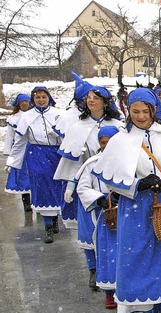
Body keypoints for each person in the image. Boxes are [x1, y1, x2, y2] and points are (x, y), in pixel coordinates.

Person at [91, 88, 161, 313]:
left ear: (154, 110)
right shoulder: (120, 140)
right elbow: (110, 177)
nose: (140, 116)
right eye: (135, 111)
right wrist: (137, 185)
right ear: (128, 111)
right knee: (139, 263)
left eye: (145, 111)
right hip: (135, 210)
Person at [56, 85, 122, 283]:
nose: (91, 101)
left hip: (114, 182)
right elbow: (72, 159)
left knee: (114, 230)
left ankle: (114, 270)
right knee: (89, 231)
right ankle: (93, 269)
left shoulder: (118, 125)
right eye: (88, 98)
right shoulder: (78, 127)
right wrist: (70, 183)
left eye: (96, 97)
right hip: (87, 181)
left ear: (105, 101)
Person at [5, 86, 63, 243]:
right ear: (33, 100)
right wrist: (12, 161)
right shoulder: (27, 117)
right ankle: (47, 226)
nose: (41, 100)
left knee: (56, 186)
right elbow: (20, 142)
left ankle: (55, 218)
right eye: (37, 97)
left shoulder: (58, 114)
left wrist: (59, 135)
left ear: (48, 98)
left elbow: (68, 138)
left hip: (55, 154)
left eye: (44, 97)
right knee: (42, 186)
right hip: (36, 154)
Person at [75, 125, 120, 309]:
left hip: (126, 213)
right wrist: (100, 199)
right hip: (104, 216)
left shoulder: (130, 161)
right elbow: (83, 188)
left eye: (111, 142)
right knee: (108, 254)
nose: (106, 146)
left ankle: (124, 290)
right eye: (103, 142)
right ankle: (109, 292)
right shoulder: (92, 164)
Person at [3, 93, 33, 212]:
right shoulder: (13, 118)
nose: (24, 104)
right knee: (22, 177)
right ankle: (26, 204)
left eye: (26, 101)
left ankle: (37, 202)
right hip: (20, 150)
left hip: (33, 149)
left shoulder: (34, 115)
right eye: (22, 102)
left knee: (35, 176)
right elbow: (10, 137)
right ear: (18, 104)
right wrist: (9, 154)